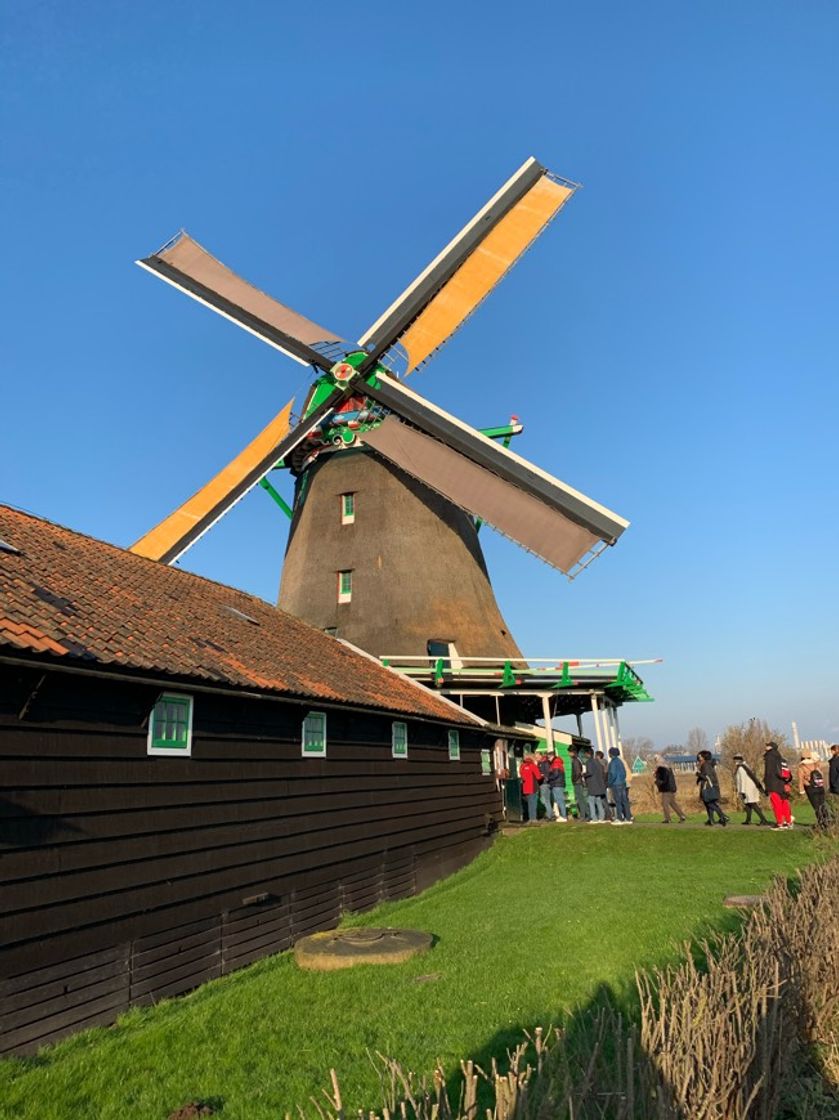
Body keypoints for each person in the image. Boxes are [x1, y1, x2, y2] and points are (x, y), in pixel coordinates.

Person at [763, 741, 793, 829]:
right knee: (784, 803)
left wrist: (766, 784)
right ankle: (788, 822)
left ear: (770, 747)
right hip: (782, 783)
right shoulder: (780, 757)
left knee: (776, 804)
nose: (766, 747)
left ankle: (780, 823)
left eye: (767, 746)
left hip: (773, 783)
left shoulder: (769, 757)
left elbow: (769, 772)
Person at [733, 754, 769, 825]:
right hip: (750, 788)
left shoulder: (741, 768)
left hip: (747, 788)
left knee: (752, 804)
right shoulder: (745, 766)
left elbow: (742, 780)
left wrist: (742, 791)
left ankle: (763, 819)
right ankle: (748, 820)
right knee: (748, 804)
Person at [696, 750, 728, 826]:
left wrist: (698, 774)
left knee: (709, 803)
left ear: (704, 757)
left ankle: (722, 816)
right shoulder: (706, 764)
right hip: (710, 786)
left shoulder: (705, 765)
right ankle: (711, 820)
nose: (698, 757)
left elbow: (706, 777)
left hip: (708, 787)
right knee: (709, 803)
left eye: (700, 756)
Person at [798, 751, 828, 829]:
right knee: (822, 804)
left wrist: (801, 790)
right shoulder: (815, 764)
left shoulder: (801, 767)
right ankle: (827, 820)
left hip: (810, 788)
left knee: (816, 806)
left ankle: (820, 822)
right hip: (820, 786)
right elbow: (821, 774)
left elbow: (800, 779)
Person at [653, 755, 686, 823]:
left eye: (655, 759)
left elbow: (664, 779)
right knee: (672, 803)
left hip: (666, 788)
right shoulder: (668, 768)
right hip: (672, 788)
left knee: (665, 804)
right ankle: (682, 815)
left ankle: (668, 819)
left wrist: (657, 781)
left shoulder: (661, 768)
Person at [538, 748, 568, 821]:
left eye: (549, 757)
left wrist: (548, 777)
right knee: (559, 800)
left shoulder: (556, 763)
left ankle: (563, 816)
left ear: (552, 756)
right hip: (557, 784)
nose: (548, 759)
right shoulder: (556, 763)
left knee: (560, 800)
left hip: (557, 784)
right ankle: (562, 815)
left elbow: (556, 774)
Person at [607, 747, 632, 824]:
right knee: (624, 801)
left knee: (618, 802)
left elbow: (612, 774)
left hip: (616, 784)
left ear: (611, 754)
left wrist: (609, 783)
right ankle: (628, 818)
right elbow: (624, 772)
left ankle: (619, 818)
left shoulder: (613, 762)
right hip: (622, 783)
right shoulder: (620, 761)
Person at [584, 748, 608, 822]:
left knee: (591, 801)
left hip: (592, 785)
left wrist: (584, 774)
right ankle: (601, 817)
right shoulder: (597, 761)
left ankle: (594, 818)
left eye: (585, 754)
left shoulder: (588, 762)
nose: (585, 755)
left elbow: (590, 772)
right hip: (599, 784)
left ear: (588, 754)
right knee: (598, 801)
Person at [519, 753, 542, 823]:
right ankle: (534, 818)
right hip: (533, 787)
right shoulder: (533, 766)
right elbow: (538, 777)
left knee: (529, 803)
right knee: (534, 803)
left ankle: (530, 818)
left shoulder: (522, 766)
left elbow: (521, 775)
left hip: (526, 788)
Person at [569, 746, 590, 821]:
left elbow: (577, 772)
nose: (568, 754)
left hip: (578, 782)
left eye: (569, 752)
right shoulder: (578, 760)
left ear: (572, 752)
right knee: (581, 800)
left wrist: (574, 780)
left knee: (580, 800)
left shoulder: (575, 761)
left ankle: (584, 816)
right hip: (579, 782)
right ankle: (586, 815)